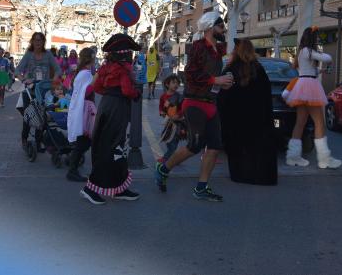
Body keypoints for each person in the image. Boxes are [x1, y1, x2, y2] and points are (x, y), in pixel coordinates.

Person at [154, 12, 233, 201]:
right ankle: (164, 168)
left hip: (211, 103)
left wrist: (223, 82)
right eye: (221, 26)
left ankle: (201, 187)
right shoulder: (198, 47)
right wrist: (216, 79)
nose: (224, 29)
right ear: (209, 27)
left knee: (214, 146)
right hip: (195, 103)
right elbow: (189, 74)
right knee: (194, 146)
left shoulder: (220, 49)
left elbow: (215, 76)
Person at [80, 33, 142, 205]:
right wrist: (136, 93)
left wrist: (110, 94)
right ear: (124, 54)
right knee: (113, 147)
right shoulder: (122, 69)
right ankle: (90, 188)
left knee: (111, 146)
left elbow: (96, 86)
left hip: (107, 106)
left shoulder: (106, 67)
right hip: (117, 109)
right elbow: (128, 91)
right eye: (129, 52)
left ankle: (118, 187)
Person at [218, 39, 277, 185]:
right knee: (256, 148)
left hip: (235, 119)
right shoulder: (259, 69)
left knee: (238, 148)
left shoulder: (231, 69)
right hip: (257, 118)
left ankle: (240, 175)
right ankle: (257, 175)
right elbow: (266, 97)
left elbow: (222, 96)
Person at [285, 26, 341, 169]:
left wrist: (319, 70)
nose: (318, 39)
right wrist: (321, 54)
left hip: (303, 85)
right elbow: (328, 57)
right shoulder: (308, 51)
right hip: (310, 86)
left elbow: (307, 69)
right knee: (320, 123)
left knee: (300, 122)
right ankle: (324, 159)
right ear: (312, 38)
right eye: (316, 37)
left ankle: (293, 157)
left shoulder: (302, 52)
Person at [15, 32, 62, 152]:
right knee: (29, 115)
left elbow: (58, 69)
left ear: (43, 42)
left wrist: (54, 79)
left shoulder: (48, 55)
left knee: (42, 115)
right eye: (35, 40)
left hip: (44, 90)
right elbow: (17, 71)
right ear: (32, 41)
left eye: (40, 40)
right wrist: (24, 80)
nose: (38, 42)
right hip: (30, 90)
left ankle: (38, 141)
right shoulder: (28, 55)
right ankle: (24, 139)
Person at [66, 48, 97, 182]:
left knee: (84, 142)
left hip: (83, 109)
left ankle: (72, 164)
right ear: (90, 58)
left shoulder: (83, 72)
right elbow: (86, 91)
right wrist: (96, 79)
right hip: (84, 109)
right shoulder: (85, 73)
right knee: (84, 142)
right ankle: (72, 170)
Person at [158, 74, 185, 163]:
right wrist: (161, 112)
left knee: (173, 142)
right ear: (167, 84)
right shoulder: (163, 97)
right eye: (173, 83)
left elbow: (183, 109)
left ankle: (166, 158)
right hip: (168, 123)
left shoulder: (179, 96)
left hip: (177, 124)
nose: (176, 85)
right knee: (168, 141)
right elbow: (161, 107)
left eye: (177, 83)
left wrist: (178, 115)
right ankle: (175, 158)